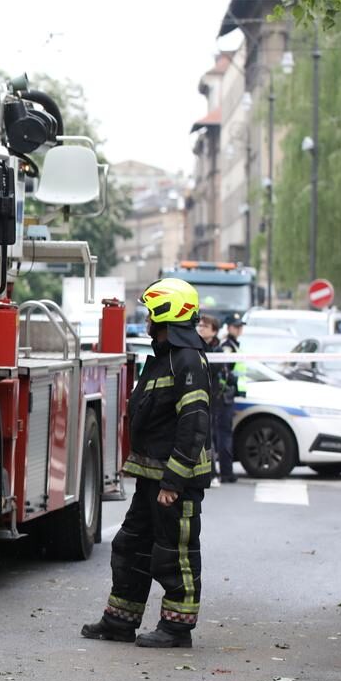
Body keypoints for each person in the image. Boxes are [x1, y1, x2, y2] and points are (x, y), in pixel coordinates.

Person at [82, 278, 212, 649]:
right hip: (152, 476)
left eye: (151, 313)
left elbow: (194, 423)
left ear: (165, 314)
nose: (147, 320)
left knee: (175, 553)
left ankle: (176, 628)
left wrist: (173, 481)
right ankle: (119, 621)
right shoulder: (166, 356)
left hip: (175, 480)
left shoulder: (187, 360)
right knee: (130, 545)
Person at [198, 315, 238, 484]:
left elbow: (213, 369)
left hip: (214, 397)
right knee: (206, 436)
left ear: (214, 331)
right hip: (199, 395)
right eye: (199, 325)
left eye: (205, 326)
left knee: (213, 435)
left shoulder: (218, 350)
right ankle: (209, 472)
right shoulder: (195, 346)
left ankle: (216, 473)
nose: (201, 328)